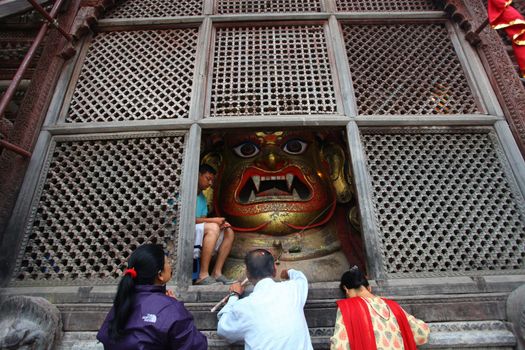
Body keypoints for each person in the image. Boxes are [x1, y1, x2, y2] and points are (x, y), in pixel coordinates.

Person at [97, 244, 207, 350]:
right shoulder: (171, 309)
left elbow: (106, 337)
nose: (170, 266)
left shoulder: (122, 303)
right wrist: (173, 307)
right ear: (160, 275)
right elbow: (195, 346)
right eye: (168, 262)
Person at [217, 248, 313, 350]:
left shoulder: (244, 306)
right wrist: (289, 272)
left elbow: (223, 330)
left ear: (248, 275)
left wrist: (234, 295)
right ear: (275, 270)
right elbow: (301, 278)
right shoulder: (293, 289)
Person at [330, 266, 430, 350]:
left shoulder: (349, 307)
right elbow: (422, 333)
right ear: (369, 288)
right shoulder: (393, 306)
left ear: (345, 289)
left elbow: (340, 345)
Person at [194, 163, 235, 285]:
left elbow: (201, 220)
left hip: (196, 230)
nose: (210, 183)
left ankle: (216, 272)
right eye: (208, 178)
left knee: (229, 231)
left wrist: (218, 223)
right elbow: (186, 220)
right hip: (181, 230)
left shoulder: (202, 198)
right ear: (198, 175)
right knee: (212, 228)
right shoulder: (184, 193)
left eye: (212, 180)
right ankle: (202, 275)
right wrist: (213, 221)